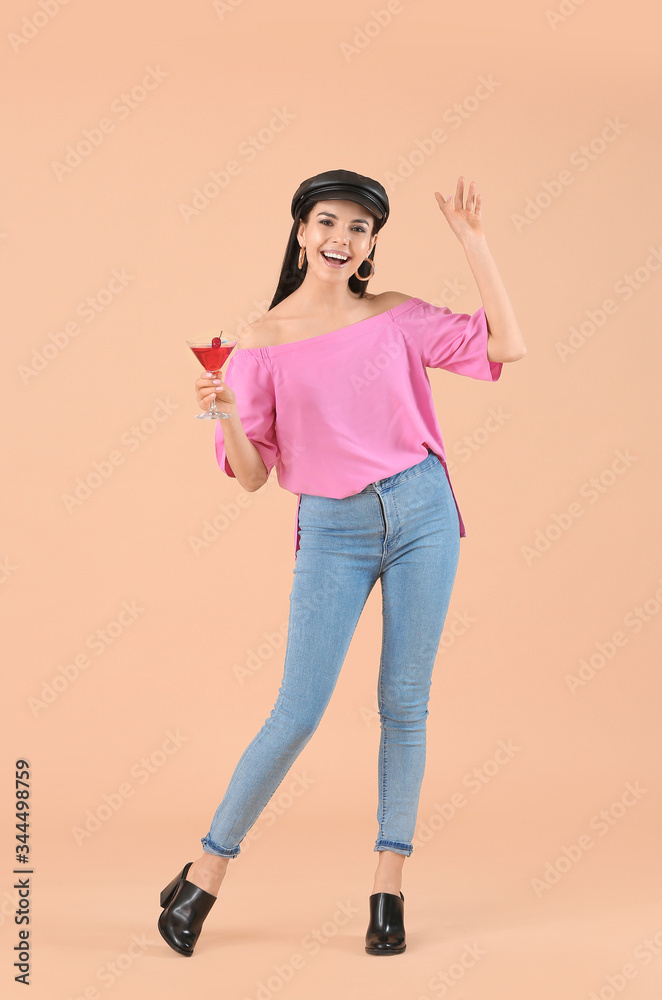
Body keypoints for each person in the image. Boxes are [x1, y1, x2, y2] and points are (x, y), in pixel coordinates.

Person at [158, 168, 526, 958]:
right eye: (328, 222)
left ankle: (388, 890)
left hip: (423, 510)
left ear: (370, 246)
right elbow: (254, 477)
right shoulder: (258, 343)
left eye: (359, 229)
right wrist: (223, 411)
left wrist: (474, 244)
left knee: (405, 704)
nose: (341, 239)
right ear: (300, 231)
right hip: (334, 529)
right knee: (299, 710)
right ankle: (204, 875)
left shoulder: (394, 317)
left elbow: (508, 345)